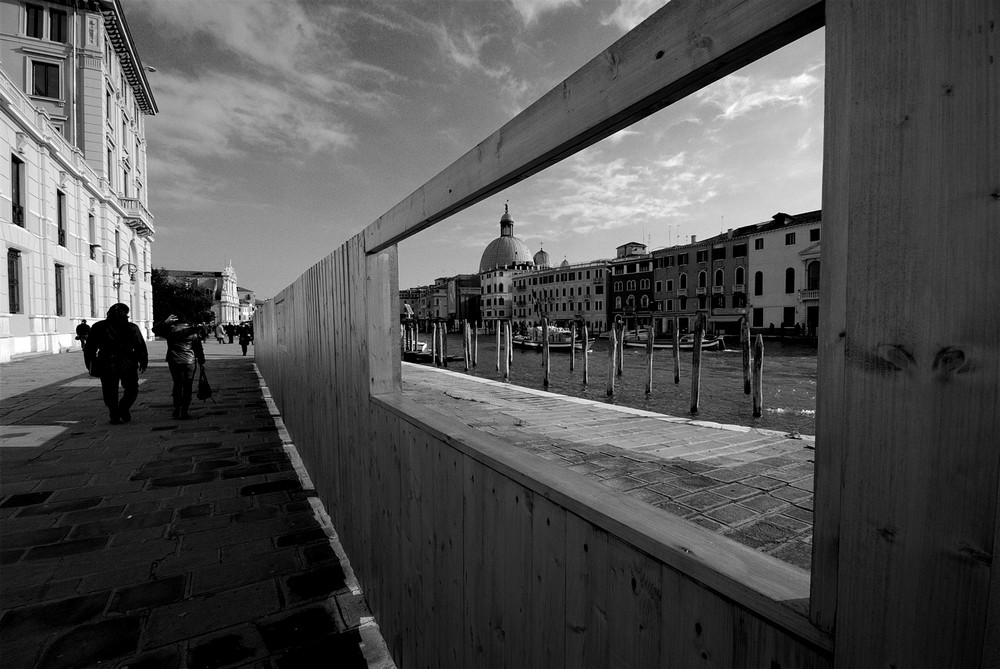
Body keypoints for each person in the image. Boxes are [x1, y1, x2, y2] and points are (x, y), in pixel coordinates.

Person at [84, 304, 148, 425]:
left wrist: (90, 362)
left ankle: (115, 412)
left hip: (108, 363)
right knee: (131, 388)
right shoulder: (131, 327)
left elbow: (89, 348)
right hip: (126, 363)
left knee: (110, 390)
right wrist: (143, 360)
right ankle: (122, 409)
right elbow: (140, 346)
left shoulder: (99, 326)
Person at [153, 313, 207, 420]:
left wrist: (165, 322)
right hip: (189, 360)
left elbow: (155, 330)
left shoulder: (170, 330)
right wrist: (201, 360)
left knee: (177, 384)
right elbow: (198, 348)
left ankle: (177, 409)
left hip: (173, 360)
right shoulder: (193, 331)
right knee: (187, 386)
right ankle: (184, 411)